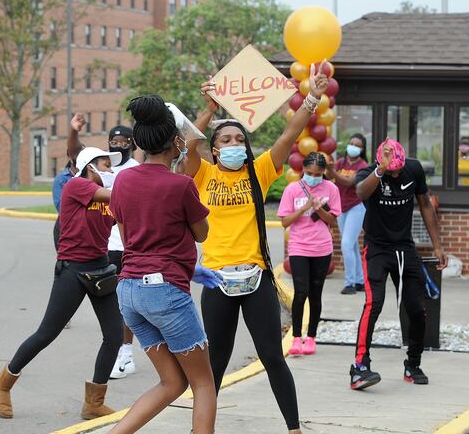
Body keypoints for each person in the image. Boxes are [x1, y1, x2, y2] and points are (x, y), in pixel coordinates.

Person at [185, 64, 329, 434]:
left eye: (239, 139)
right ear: (214, 149)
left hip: (256, 279)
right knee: (215, 363)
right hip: (216, 280)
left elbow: (290, 134)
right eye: (226, 140)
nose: (234, 144)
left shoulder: (259, 171)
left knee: (272, 357)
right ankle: (201, 430)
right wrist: (208, 111)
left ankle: (294, 428)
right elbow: (187, 144)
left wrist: (312, 97)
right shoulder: (203, 174)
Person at [108, 95, 216, 434]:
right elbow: (202, 233)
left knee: (172, 382)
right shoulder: (181, 185)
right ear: (176, 141)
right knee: (203, 383)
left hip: (129, 291)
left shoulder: (123, 181)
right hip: (165, 291)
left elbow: (127, 237)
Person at [0, 147, 123, 421]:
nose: (110, 170)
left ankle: (94, 402)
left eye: (111, 166)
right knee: (47, 333)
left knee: (114, 336)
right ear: (89, 166)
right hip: (72, 270)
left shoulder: (109, 198)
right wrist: (136, 184)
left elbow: (123, 219)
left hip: (100, 269)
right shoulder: (76, 186)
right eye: (105, 164)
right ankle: (2, 383)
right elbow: (116, 195)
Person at [349, 138, 447, 390]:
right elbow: (360, 192)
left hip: (404, 248)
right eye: (391, 170)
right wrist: (381, 170)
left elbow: (425, 204)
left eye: (397, 170)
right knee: (374, 303)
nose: (395, 174)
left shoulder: (413, 168)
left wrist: (437, 245)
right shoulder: (369, 173)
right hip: (377, 249)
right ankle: (360, 367)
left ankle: (412, 364)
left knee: (417, 309)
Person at [67, 113, 142, 379]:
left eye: (124, 141)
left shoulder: (135, 168)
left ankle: (126, 354)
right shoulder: (93, 171)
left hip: (127, 246)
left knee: (126, 303)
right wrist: (74, 131)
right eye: (114, 140)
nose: (118, 145)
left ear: (132, 144)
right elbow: (75, 152)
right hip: (104, 248)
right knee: (114, 305)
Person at [278, 152, 341, 356]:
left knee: (315, 294)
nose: (313, 177)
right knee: (301, 292)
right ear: (303, 170)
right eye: (309, 173)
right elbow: (285, 222)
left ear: (323, 172)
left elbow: (333, 221)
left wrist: (318, 209)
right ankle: (297, 337)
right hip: (299, 247)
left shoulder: (331, 189)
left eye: (317, 174)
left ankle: (311, 338)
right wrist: (304, 208)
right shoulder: (292, 189)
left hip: (322, 248)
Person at [326, 133, 369, 294]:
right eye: (351, 143)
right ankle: (359, 281)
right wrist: (329, 169)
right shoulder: (340, 162)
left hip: (356, 207)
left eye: (357, 145)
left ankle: (350, 283)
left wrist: (333, 171)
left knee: (346, 244)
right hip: (341, 207)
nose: (353, 147)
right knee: (352, 245)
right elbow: (329, 178)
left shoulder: (363, 166)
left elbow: (348, 182)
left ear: (362, 149)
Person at [52, 157, 77, 249]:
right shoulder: (61, 179)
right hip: (66, 227)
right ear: (71, 159)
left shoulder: (89, 176)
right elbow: (60, 207)